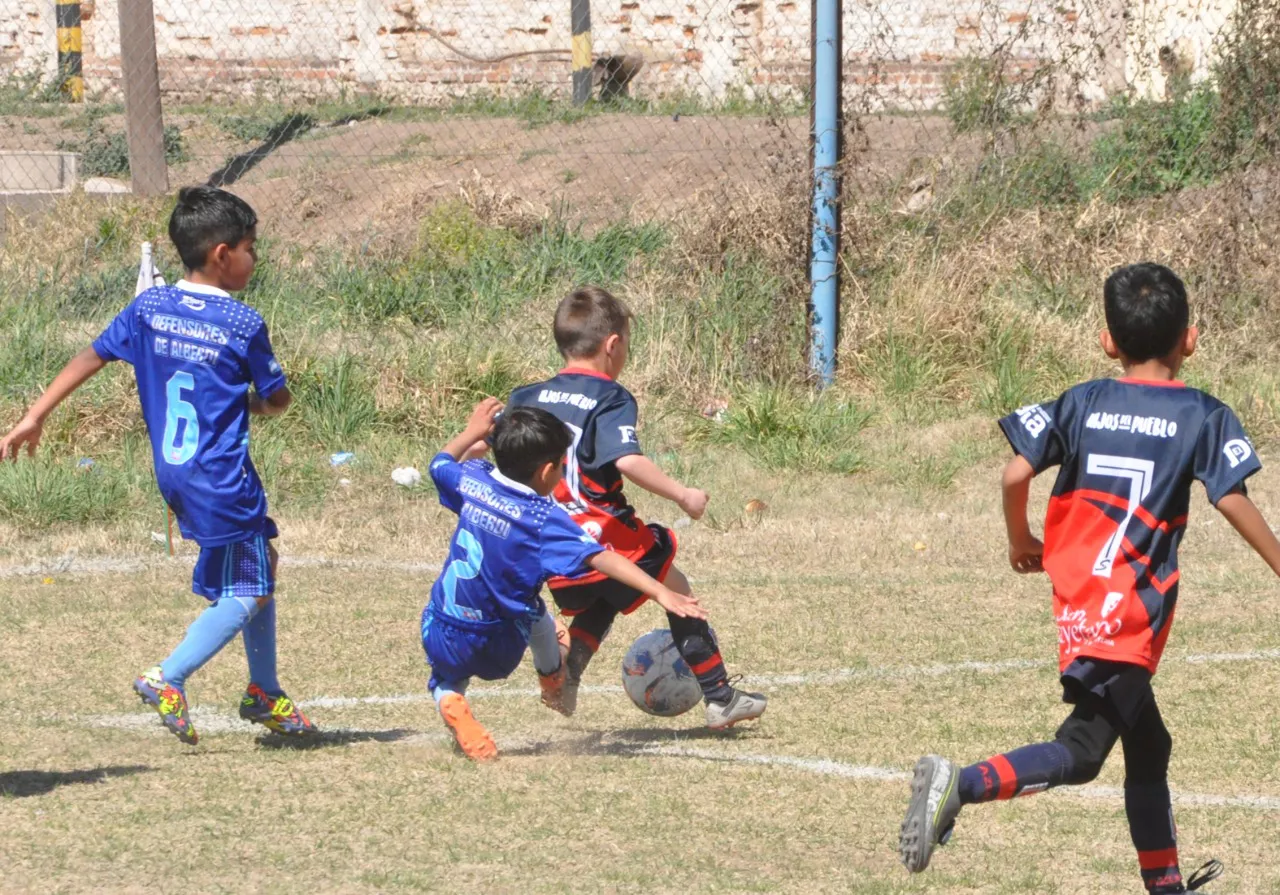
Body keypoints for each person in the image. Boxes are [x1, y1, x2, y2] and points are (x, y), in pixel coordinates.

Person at [898, 263, 1276, 894]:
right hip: (1128, 612)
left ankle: (1166, 887)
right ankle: (957, 784)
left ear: (1108, 341)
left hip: (1086, 597)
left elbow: (1015, 475)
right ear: (1192, 338)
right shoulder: (1204, 416)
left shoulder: (1081, 401)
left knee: (1149, 745)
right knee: (1081, 752)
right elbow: (1231, 499)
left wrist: (1021, 539)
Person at [0, 185, 314, 745]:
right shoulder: (243, 323)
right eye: (251, 246)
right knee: (250, 588)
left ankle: (264, 689)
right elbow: (278, 398)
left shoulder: (149, 307)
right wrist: (256, 403)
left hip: (175, 473)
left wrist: (34, 416)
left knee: (259, 558)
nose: (255, 258)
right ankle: (167, 676)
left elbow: (90, 356)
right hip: (222, 477)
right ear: (222, 253)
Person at [504, 286, 767, 729]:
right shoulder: (611, 397)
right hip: (601, 530)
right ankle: (720, 695)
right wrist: (683, 494)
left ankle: (568, 674)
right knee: (673, 583)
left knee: (609, 591)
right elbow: (626, 460)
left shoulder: (525, 396)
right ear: (613, 345)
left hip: (548, 541)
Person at [424, 400, 707, 760]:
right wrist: (661, 592)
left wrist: (470, 433)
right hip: (500, 638)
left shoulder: (472, 478)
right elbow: (602, 557)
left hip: (443, 622)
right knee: (540, 619)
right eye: (561, 466)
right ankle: (552, 677)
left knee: (447, 679)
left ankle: (450, 699)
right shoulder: (543, 517)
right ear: (546, 472)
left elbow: (439, 464)